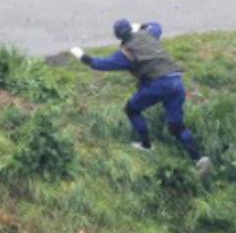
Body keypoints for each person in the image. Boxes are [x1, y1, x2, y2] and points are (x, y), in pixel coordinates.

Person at [71, 19, 212, 174]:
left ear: (117, 36)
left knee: (131, 109)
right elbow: (157, 25)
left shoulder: (125, 54)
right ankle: (199, 159)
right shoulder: (149, 34)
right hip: (176, 81)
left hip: (158, 85)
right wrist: (140, 25)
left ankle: (146, 145)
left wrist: (79, 54)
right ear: (132, 29)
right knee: (176, 126)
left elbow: (98, 64)